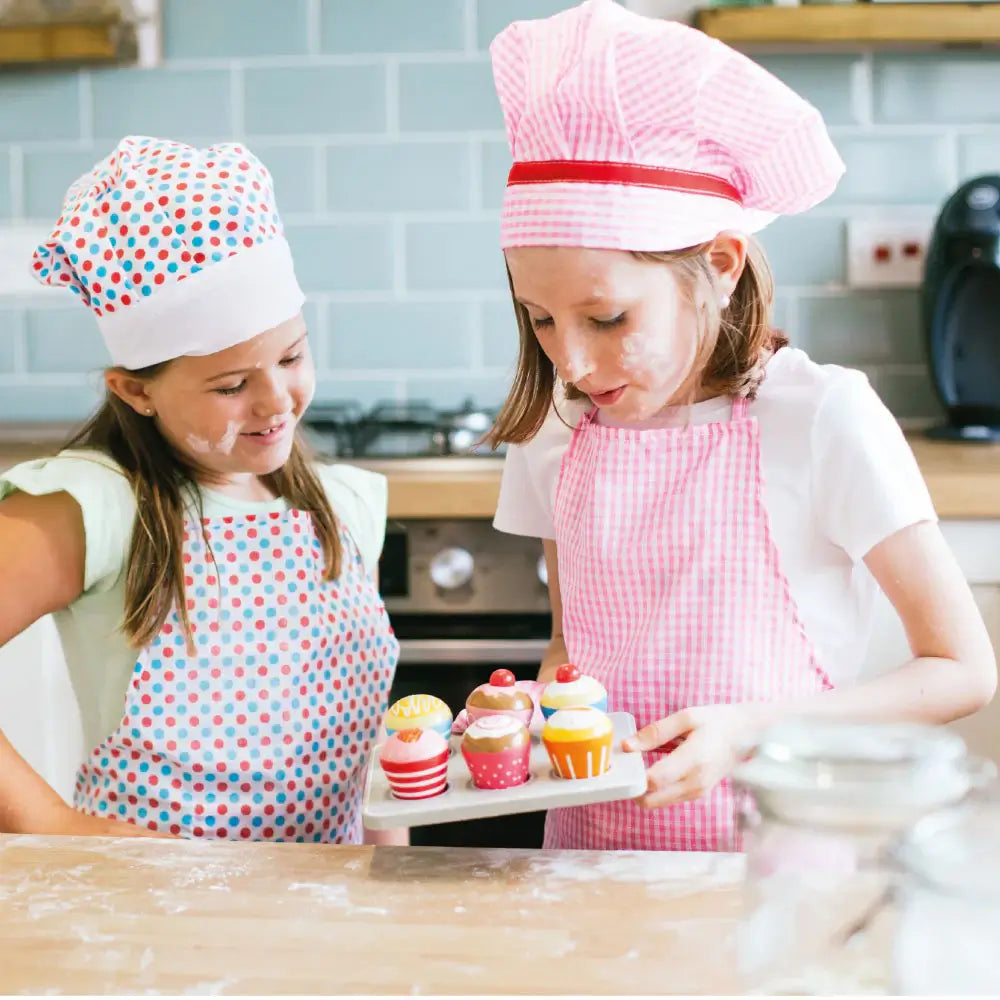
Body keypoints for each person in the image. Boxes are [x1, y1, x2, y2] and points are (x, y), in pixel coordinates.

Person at [487, 0, 996, 852]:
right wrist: (530, 721)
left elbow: (962, 670)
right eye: (539, 318)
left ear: (718, 266)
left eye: (606, 319)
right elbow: (572, 649)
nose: (569, 362)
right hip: (587, 868)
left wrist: (752, 727)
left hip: (776, 872)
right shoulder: (558, 431)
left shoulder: (822, 418)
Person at [0, 136, 402, 844]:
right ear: (135, 390)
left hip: (328, 925)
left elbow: (371, 776)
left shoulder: (342, 508)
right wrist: (48, 823)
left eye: (292, 355)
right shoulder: (99, 504)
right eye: (231, 384)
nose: (276, 401)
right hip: (153, 924)